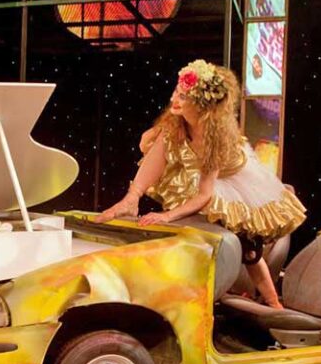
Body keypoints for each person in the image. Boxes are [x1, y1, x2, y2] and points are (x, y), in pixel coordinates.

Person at [94, 59, 306, 309]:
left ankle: (273, 304)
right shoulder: (175, 124)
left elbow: (206, 194)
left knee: (246, 244)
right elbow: (153, 161)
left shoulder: (216, 135)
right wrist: (132, 196)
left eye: (184, 96)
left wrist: (168, 215)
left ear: (202, 105)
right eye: (177, 92)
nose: (176, 99)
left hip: (232, 178)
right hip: (196, 172)